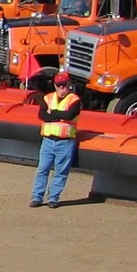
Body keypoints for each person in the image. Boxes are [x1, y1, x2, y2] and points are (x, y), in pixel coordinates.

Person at [30, 72, 82, 207]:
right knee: (42, 169)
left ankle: (53, 198)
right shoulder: (47, 98)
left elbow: (70, 115)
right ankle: (37, 197)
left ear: (69, 84)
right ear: (55, 85)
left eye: (64, 85)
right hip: (48, 140)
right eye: (59, 86)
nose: (61, 88)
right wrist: (60, 116)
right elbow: (42, 116)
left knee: (61, 172)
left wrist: (53, 113)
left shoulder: (74, 100)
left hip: (65, 142)